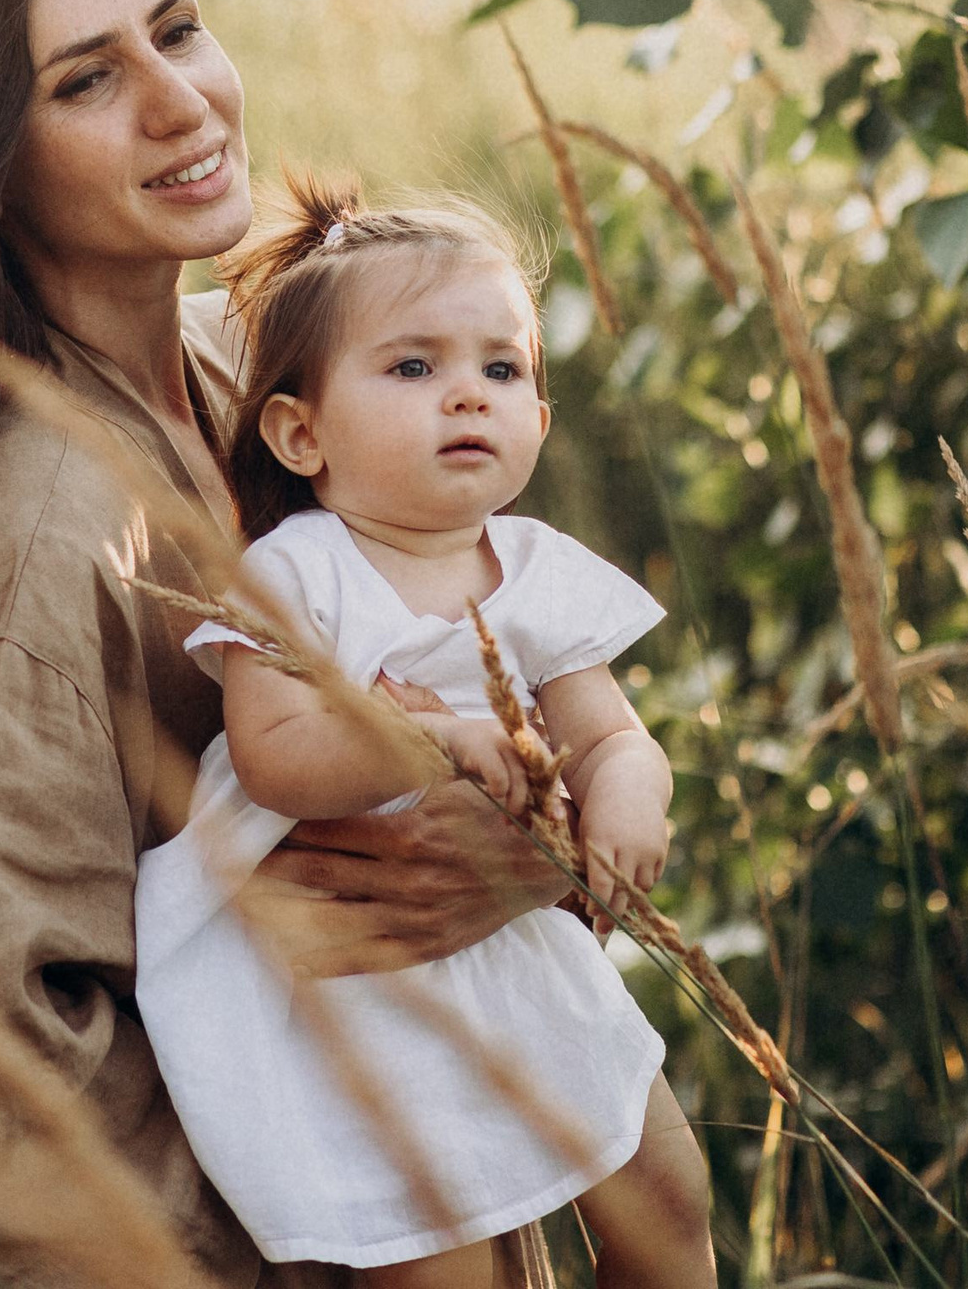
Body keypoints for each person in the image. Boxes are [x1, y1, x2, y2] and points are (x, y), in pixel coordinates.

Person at [0, 0, 575, 1289]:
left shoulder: (252, 378)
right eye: (86, 80)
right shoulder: (35, 527)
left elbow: (475, 644)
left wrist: (531, 847)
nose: (179, 100)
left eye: (179, 28)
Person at [132, 174, 715, 1284]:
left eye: (501, 370)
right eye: (413, 367)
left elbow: (608, 736)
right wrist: (432, 742)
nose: (468, 396)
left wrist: (633, 796)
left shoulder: (535, 570)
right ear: (301, 434)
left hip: (515, 949)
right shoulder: (297, 573)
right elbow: (276, 755)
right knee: (436, 1258)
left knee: (667, 1192)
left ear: (539, 418)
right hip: (362, 975)